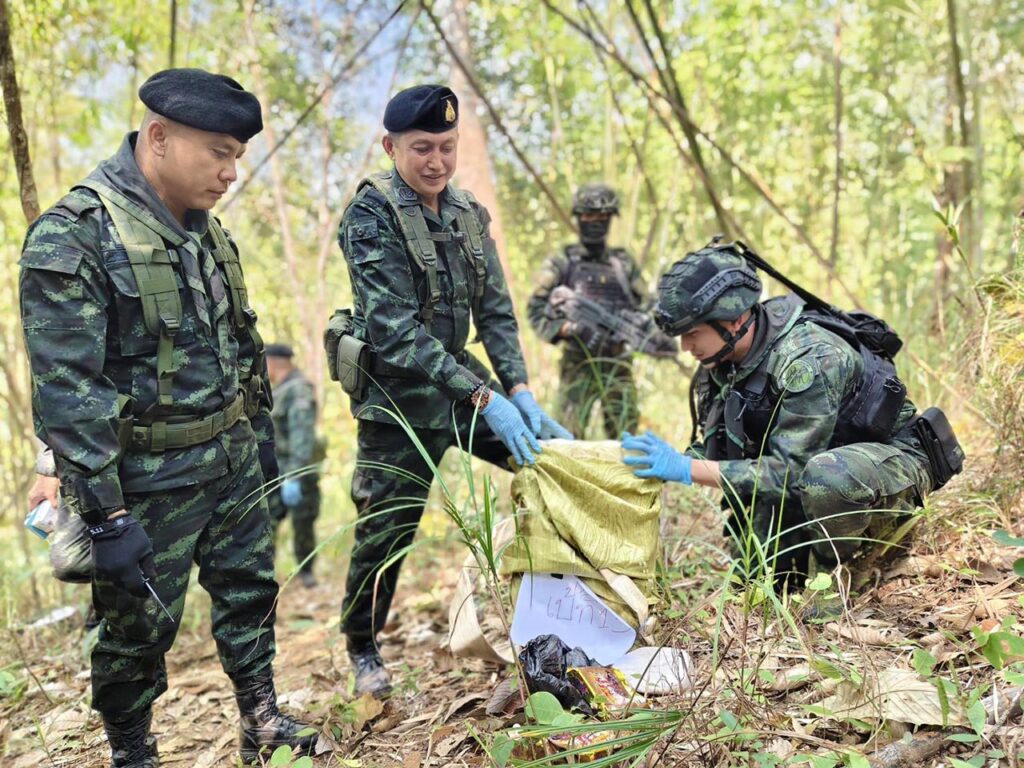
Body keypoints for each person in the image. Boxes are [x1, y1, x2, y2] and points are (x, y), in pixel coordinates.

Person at [19, 68, 315, 767]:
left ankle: (262, 720)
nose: (231, 172)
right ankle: (133, 752)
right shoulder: (75, 235)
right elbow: (69, 393)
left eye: (238, 155)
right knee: (136, 630)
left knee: (250, 592)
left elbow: (239, 343)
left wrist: (260, 441)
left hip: (231, 459)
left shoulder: (205, 233)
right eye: (219, 153)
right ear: (158, 137)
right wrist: (105, 516)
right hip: (145, 480)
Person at [332, 84, 571, 698]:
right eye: (421, 148)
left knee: (549, 466)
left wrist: (520, 391)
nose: (436, 162)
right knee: (386, 530)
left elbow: (496, 312)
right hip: (398, 401)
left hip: (465, 387)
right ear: (390, 147)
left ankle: (566, 611)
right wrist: (484, 396)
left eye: (447, 146)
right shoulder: (371, 216)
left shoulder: (468, 214)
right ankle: (361, 643)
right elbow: (393, 330)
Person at [620, 239, 962, 586]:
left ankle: (836, 582)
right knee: (762, 578)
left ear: (735, 320)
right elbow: (722, 450)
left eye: (692, 333)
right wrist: (657, 461)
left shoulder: (809, 359)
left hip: (883, 467)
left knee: (828, 477)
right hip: (811, 465)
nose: (685, 347)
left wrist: (686, 469)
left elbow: (791, 472)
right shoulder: (724, 360)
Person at [526, 184, 649, 438]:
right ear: (579, 217)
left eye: (603, 216)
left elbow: (646, 306)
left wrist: (636, 324)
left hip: (618, 363)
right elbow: (536, 309)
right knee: (567, 439)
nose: (596, 222)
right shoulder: (562, 262)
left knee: (627, 440)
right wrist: (568, 328)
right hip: (578, 363)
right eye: (589, 215)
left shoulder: (622, 263)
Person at [265, 344, 322, 589]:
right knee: (267, 523)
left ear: (273, 362)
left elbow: (302, 435)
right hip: (277, 470)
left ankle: (306, 571)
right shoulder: (280, 390)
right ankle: (264, 574)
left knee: (303, 523)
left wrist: (294, 474)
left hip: (297, 471)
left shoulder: (298, 390)